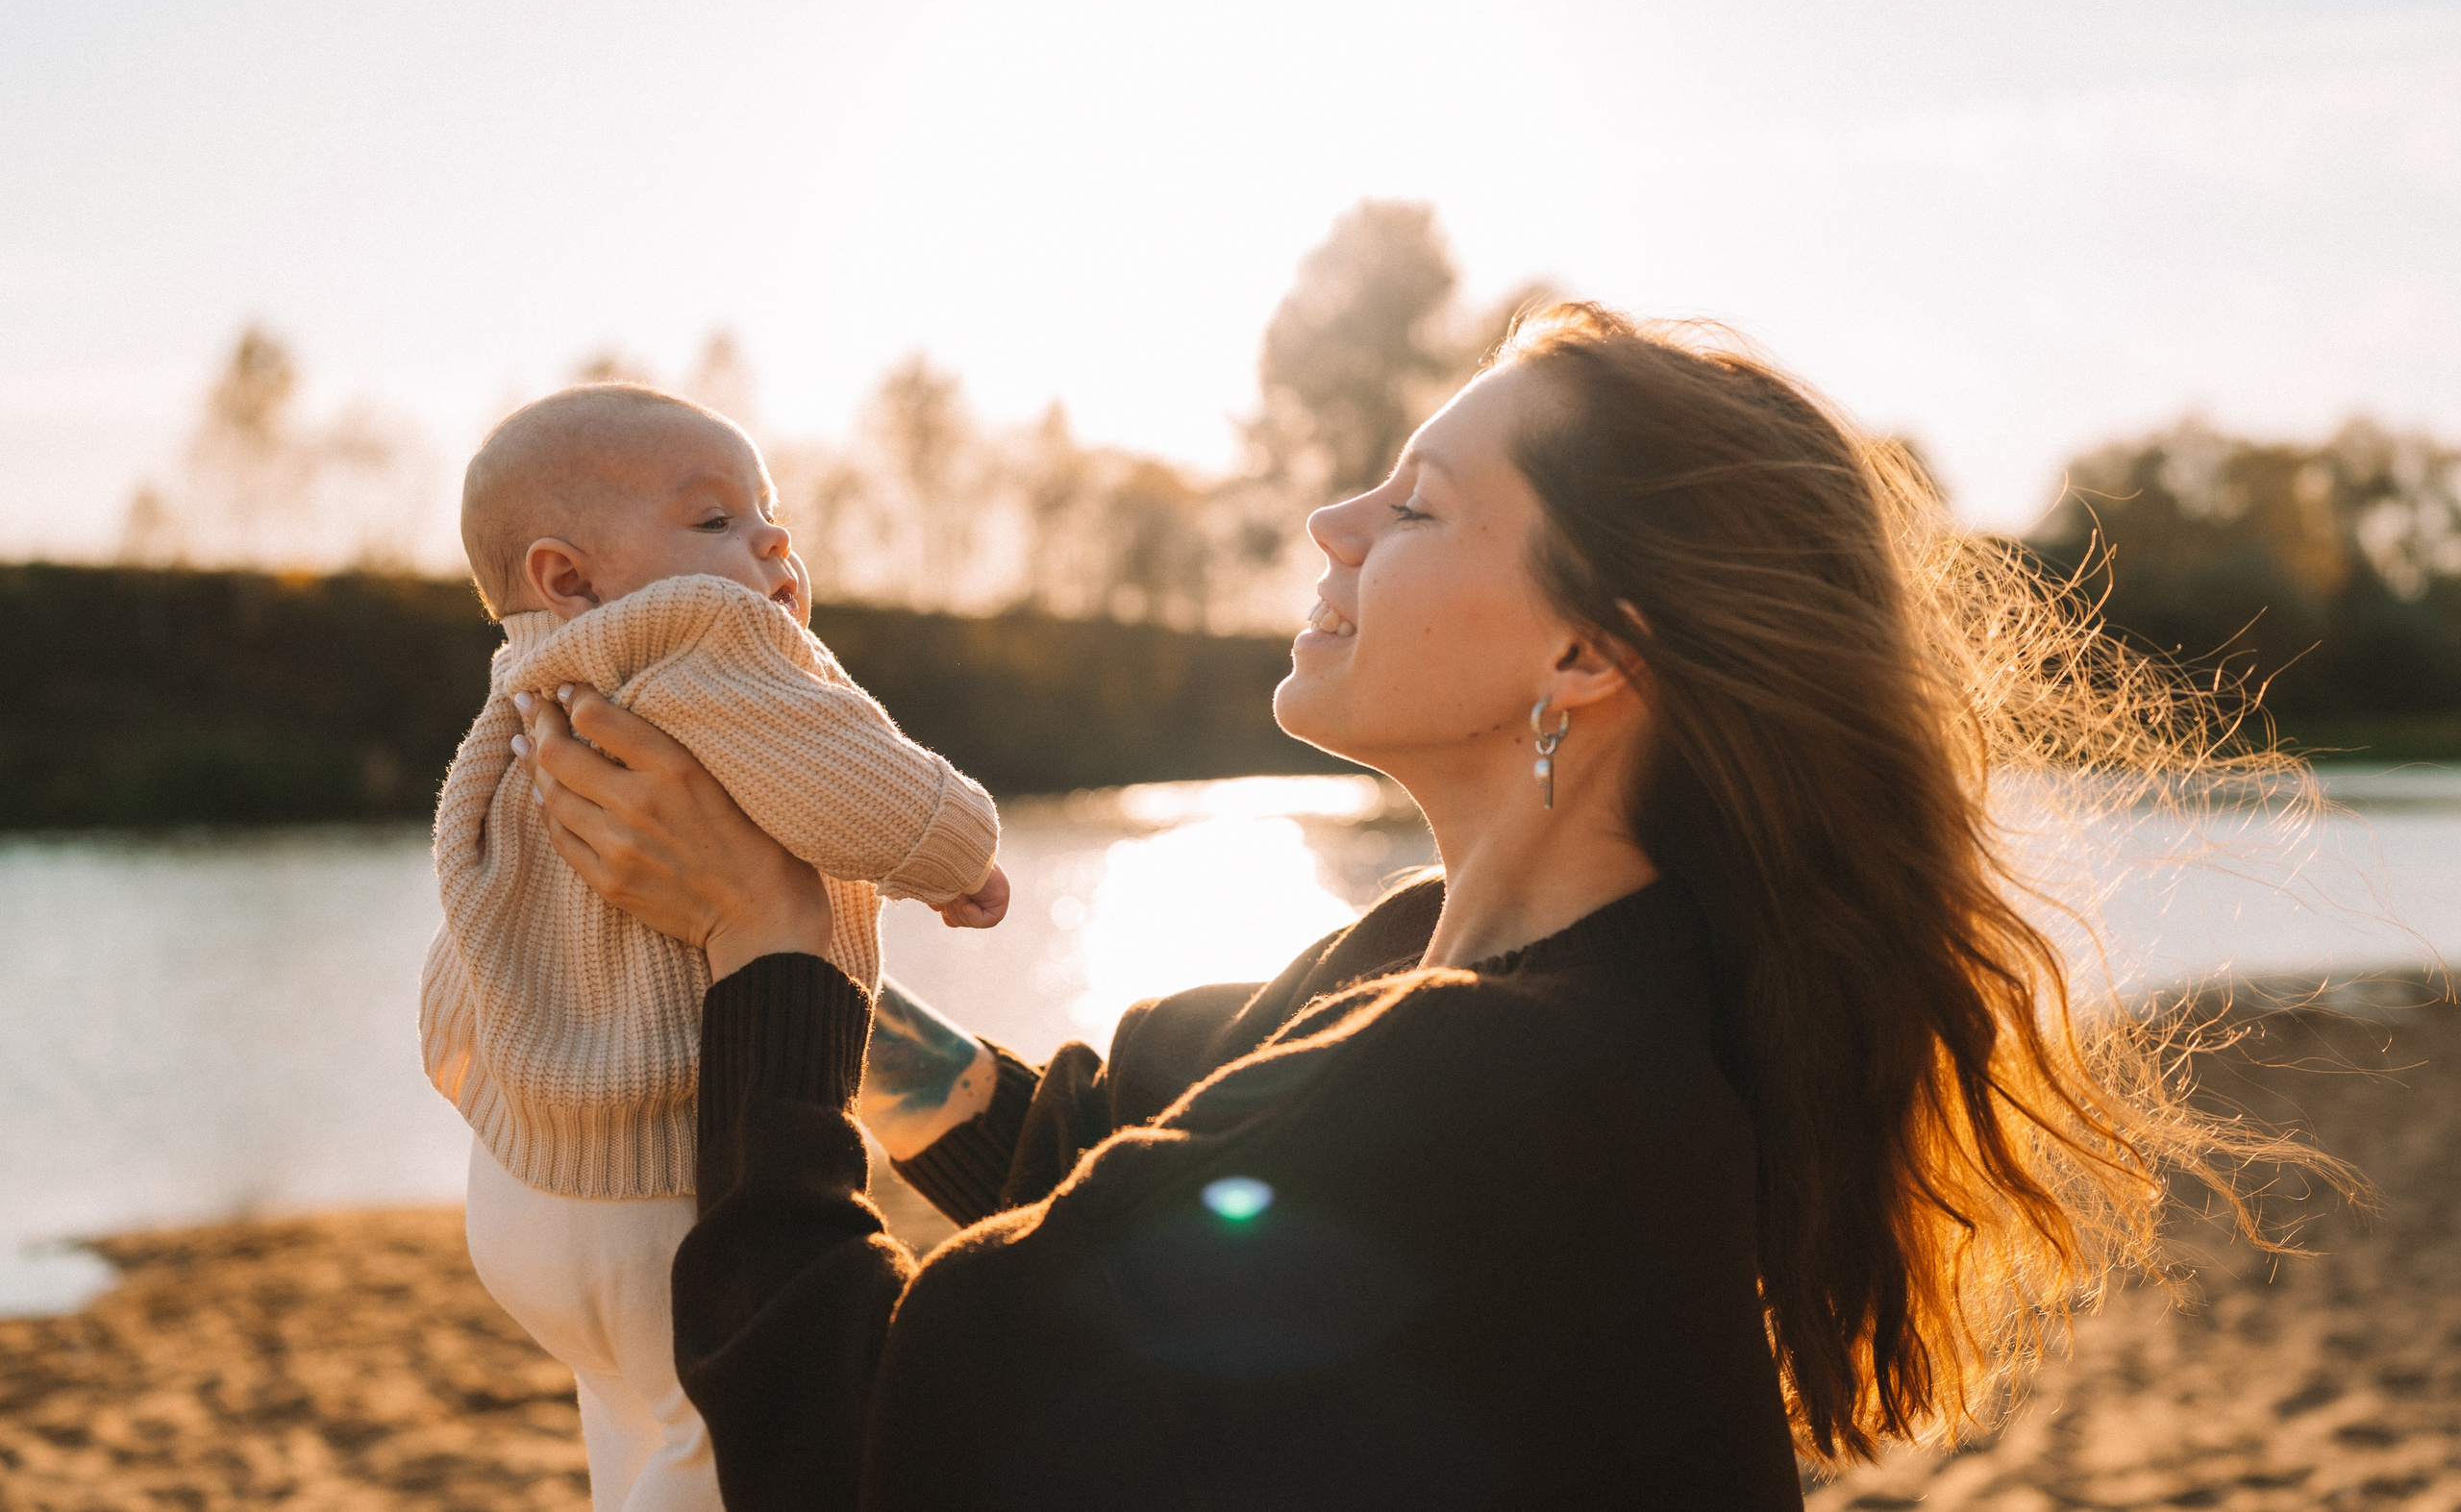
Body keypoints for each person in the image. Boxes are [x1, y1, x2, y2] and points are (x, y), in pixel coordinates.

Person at [514, 305, 2325, 1509]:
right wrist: (774, 927)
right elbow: (1089, 1146)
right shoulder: (1476, 971)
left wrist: (763, 956)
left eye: (1420, 504)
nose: (1332, 519)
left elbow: (854, 1437)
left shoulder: (1505, 1085)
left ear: (1587, 651)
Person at [425, 384, 1008, 1512]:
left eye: (771, 515)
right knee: (714, 1441)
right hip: (665, 1191)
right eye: (715, 520)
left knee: (627, 1418)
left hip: (522, 1186)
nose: (773, 542)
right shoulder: (703, 638)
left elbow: (467, 899)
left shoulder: (523, 696)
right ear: (566, 577)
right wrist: (954, 852)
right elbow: (863, 784)